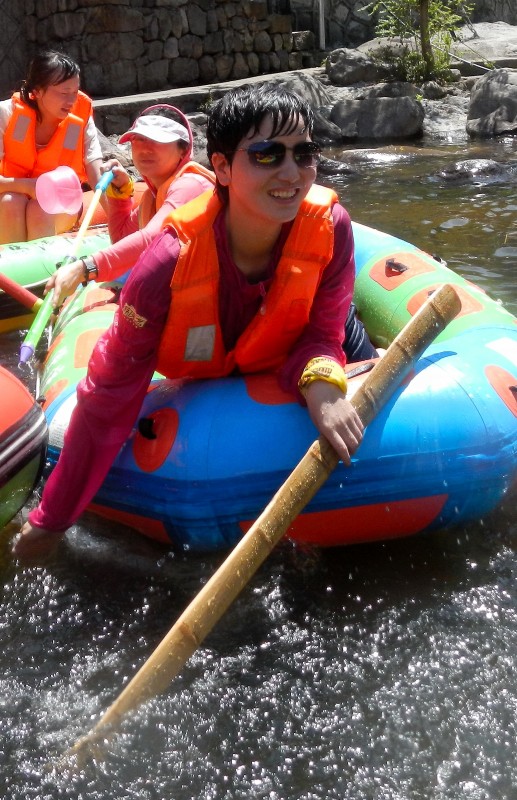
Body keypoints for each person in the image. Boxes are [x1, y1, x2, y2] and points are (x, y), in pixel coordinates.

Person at [13, 83, 371, 561]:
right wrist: (51, 520)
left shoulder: (332, 227)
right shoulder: (169, 261)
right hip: (213, 355)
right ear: (221, 168)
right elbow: (109, 397)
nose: (291, 172)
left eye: (303, 154)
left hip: (304, 335)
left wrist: (322, 381)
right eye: (267, 155)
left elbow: (324, 332)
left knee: (356, 361)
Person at [46, 104, 215, 301]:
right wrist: (120, 195)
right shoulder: (153, 196)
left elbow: (154, 239)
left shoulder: (190, 185)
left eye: (157, 140)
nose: (145, 149)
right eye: (139, 139)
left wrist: (86, 268)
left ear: (183, 150)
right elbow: (121, 241)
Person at [0, 50, 105, 244]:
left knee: (40, 209)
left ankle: (41, 261)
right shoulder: (7, 114)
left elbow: (95, 172)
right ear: (37, 91)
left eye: (75, 92)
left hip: (60, 203)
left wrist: (118, 218)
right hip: (9, 197)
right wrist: (28, 186)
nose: (72, 101)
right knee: (10, 202)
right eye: (64, 93)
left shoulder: (79, 118)